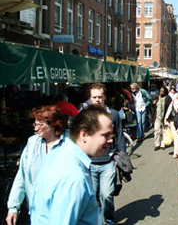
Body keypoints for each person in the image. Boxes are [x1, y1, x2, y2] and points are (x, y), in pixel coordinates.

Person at [29, 105, 113, 224]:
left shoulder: (57, 154)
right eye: (105, 135)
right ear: (84, 135)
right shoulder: (74, 178)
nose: (110, 140)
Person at [6, 105, 68, 225]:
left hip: (64, 210)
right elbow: (22, 176)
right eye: (35, 124)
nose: (35, 128)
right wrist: (13, 207)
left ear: (53, 124)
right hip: (37, 211)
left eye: (40, 124)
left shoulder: (69, 143)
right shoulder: (32, 143)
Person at [80, 83, 125, 225]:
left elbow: (119, 136)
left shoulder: (114, 115)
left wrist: (121, 156)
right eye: (94, 97)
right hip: (89, 163)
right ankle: (98, 221)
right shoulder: (85, 116)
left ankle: (109, 220)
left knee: (106, 195)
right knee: (92, 197)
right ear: (90, 98)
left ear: (105, 97)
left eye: (100, 97)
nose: (97, 100)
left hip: (108, 161)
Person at [164, 90, 178, 158]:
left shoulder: (173, 102)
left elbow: (169, 111)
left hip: (173, 120)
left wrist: (165, 120)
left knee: (175, 136)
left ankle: (176, 152)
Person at [151, 86, 172, 151]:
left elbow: (170, 108)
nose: (161, 92)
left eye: (163, 91)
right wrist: (153, 103)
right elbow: (153, 107)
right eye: (160, 91)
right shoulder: (157, 97)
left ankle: (163, 144)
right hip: (157, 117)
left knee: (163, 131)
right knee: (157, 130)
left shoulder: (168, 98)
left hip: (165, 117)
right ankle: (157, 144)